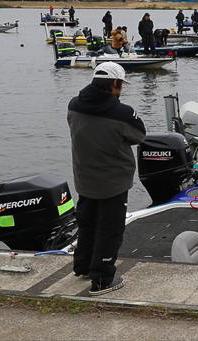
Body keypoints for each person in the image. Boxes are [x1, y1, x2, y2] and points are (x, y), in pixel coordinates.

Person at [68, 62, 146, 296]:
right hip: (113, 182)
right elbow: (139, 135)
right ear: (114, 83)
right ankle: (102, 280)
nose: (120, 89)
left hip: (84, 179)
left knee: (87, 223)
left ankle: (83, 266)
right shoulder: (122, 113)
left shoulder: (74, 105)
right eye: (120, 84)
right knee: (109, 229)